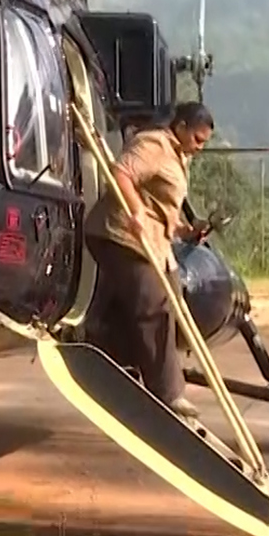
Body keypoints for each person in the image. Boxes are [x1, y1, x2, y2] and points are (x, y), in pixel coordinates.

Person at [82, 101, 216, 419]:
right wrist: (136, 210)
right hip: (120, 235)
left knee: (173, 301)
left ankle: (130, 366)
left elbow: (160, 207)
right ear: (180, 127)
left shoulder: (179, 157)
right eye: (196, 139)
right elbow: (121, 173)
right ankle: (167, 394)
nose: (199, 148)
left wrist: (186, 230)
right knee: (153, 304)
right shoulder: (154, 144)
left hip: (155, 244)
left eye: (204, 143)